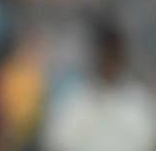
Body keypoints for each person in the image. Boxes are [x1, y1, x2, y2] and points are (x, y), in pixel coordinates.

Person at [44, 20, 156, 151]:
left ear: (122, 57)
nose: (109, 62)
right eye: (105, 55)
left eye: (114, 55)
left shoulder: (139, 103)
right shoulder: (75, 101)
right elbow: (57, 140)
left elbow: (148, 140)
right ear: (97, 56)